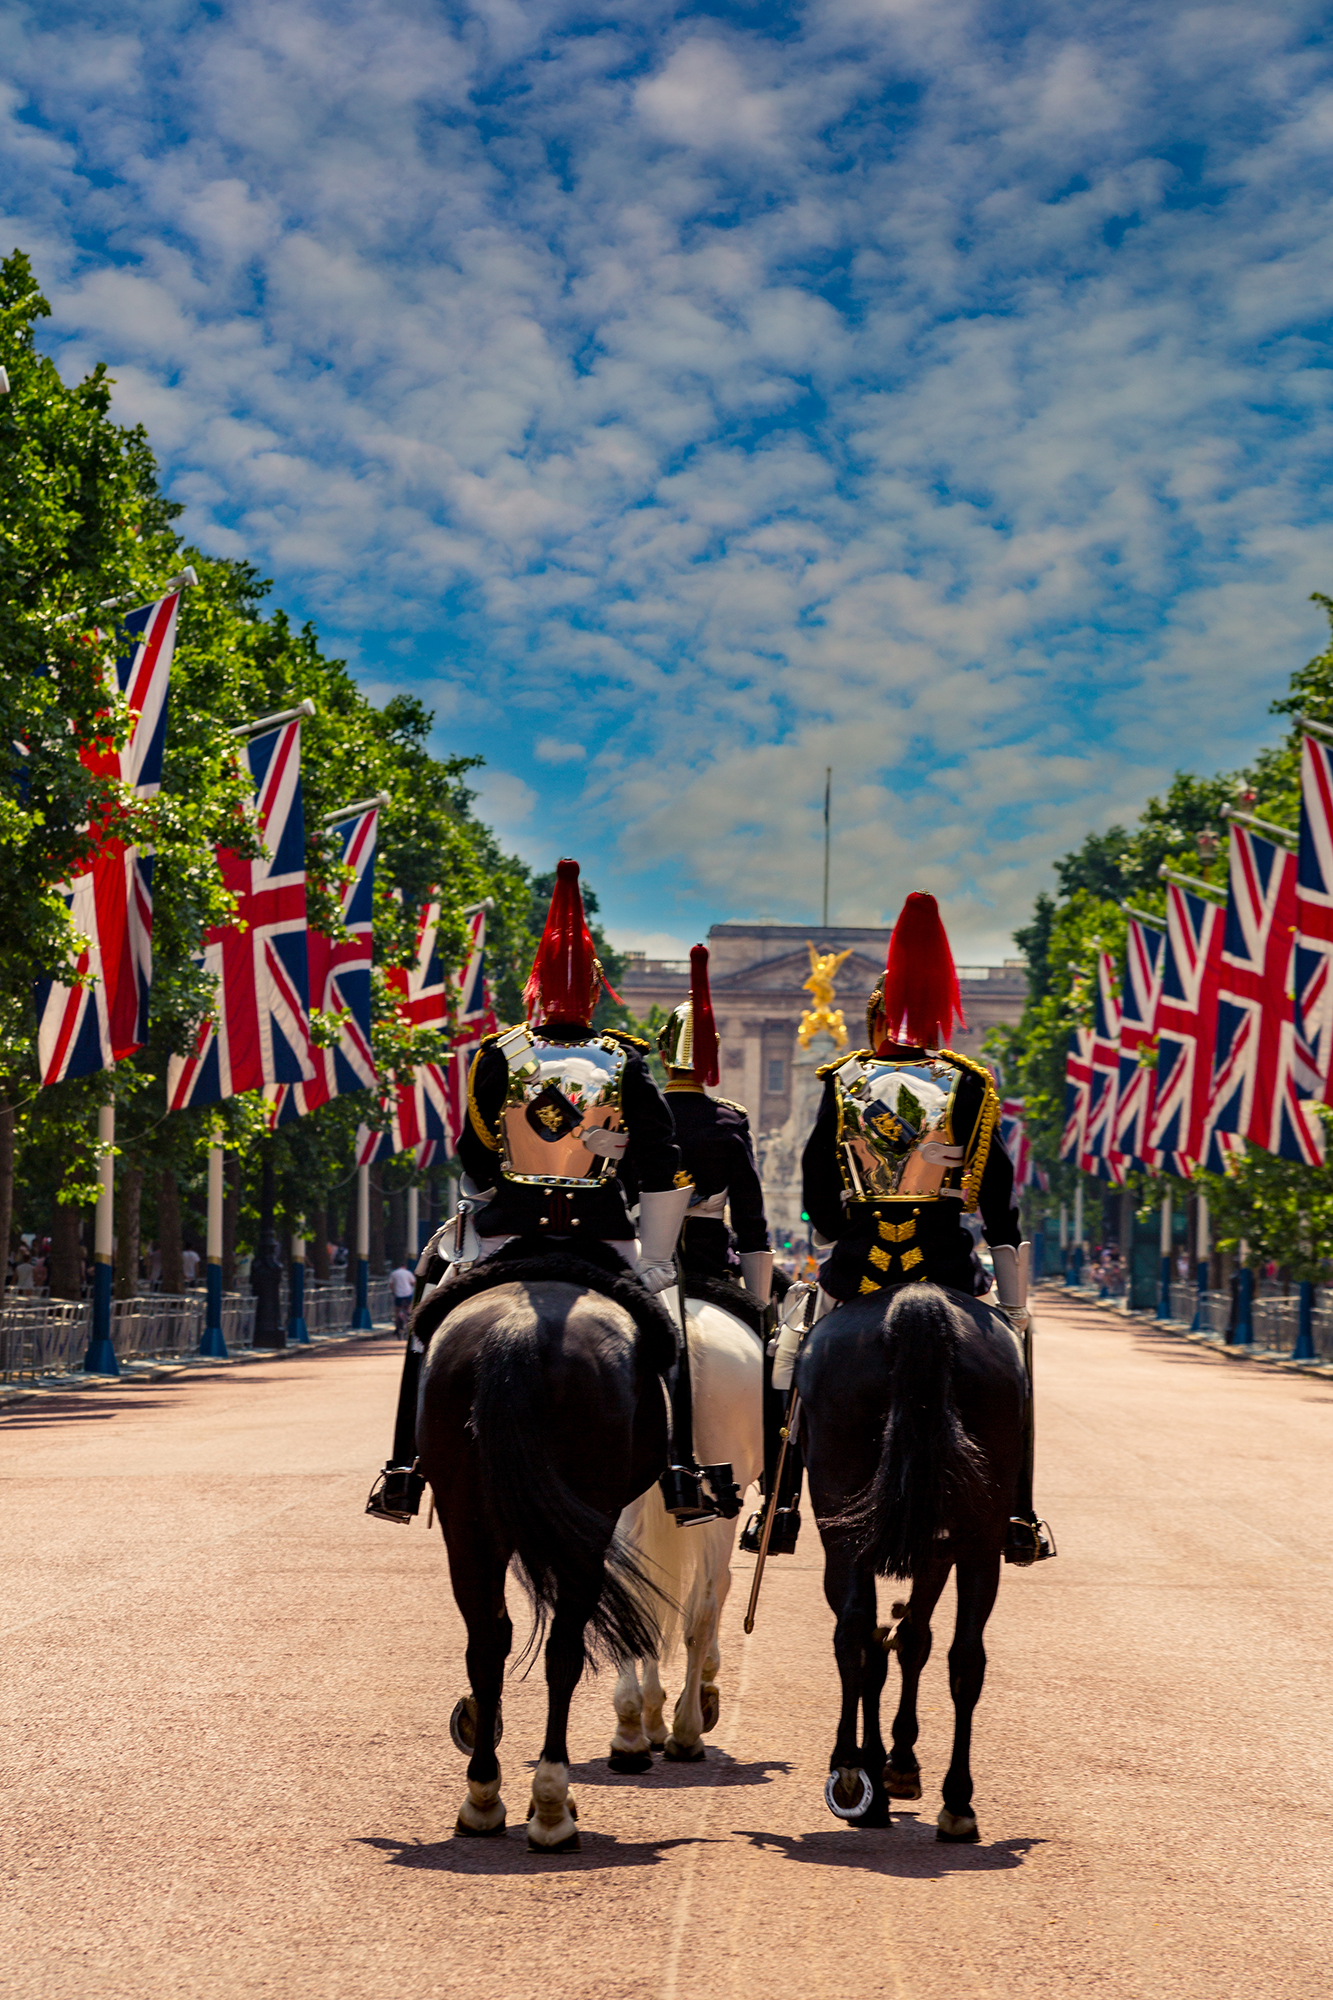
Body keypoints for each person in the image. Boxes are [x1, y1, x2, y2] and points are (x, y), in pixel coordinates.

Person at [366, 859, 692, 1523]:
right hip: (604, 1239)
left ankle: (403, 1469)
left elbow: (474, 1157)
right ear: (596, 990)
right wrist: (647, 1235)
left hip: (507, 1233)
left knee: (427, 1332)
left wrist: (509, 1179)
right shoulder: (625, 1058)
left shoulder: (498, 1054)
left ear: (534, 988)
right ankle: (683, 1472)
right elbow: (664, 1167)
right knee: (672, 1337)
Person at [788, 890, 1054, 1567]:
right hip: (944, 1268)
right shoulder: (967, 1082)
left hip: (857, 1270)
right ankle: (1018, 1513)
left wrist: (828, 1233)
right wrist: (1013, 1287)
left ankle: (781, 1501)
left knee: (789, 1367)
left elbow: (816, 1178)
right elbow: (997, 1198)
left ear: (872, 1020)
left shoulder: (843, 1078)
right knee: (1016, 1384)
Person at [389, 1257, 415, 1333]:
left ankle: (397, 1326)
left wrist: (393, 1292)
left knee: (397, 1310)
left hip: (398, 1294)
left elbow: (391, 1285)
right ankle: (409, 1321)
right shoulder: (408, 1273)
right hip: (408, 1293)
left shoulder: (394, 1273)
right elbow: (413, 1283)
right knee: (409, 1308)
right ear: (405, 1266)